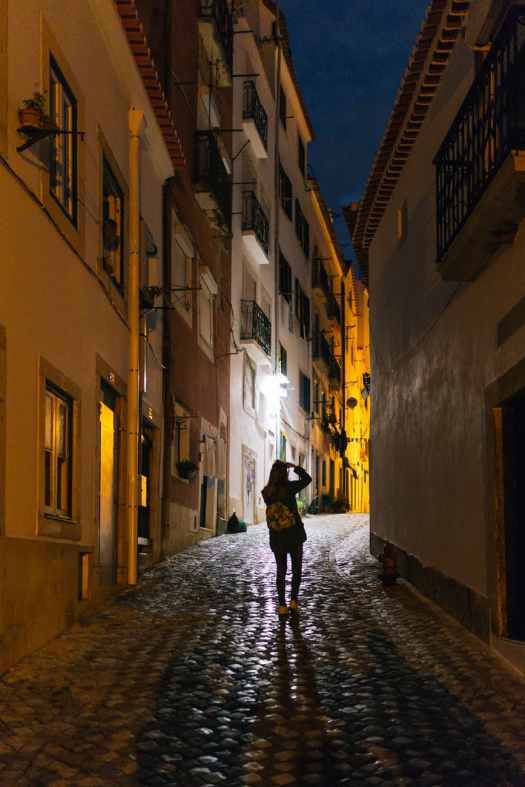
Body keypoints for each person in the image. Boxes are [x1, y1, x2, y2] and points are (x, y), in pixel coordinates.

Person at [261, 460, 312, 617]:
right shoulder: (289, 488)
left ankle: (282, 605)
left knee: (280, 570)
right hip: (294, 534)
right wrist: (296, 468)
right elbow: (307, 479)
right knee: (296, 569)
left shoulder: (266, 492)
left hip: (277, 536)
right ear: (285, 473)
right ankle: (294, 601)